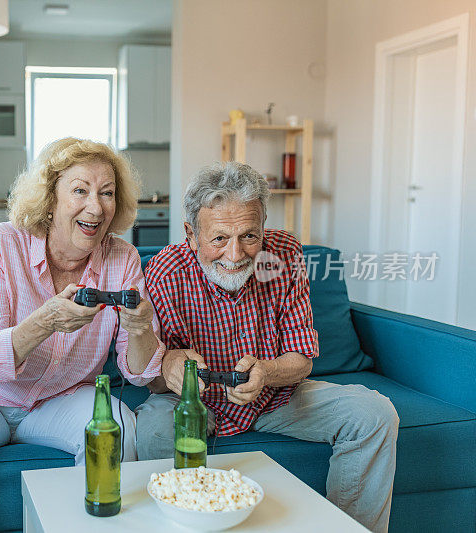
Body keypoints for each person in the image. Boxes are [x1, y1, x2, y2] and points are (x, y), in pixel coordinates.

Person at [0, 137, 165, 533]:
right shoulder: (2, 243)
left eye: (107, 193)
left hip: (57, 398)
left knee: (117, 427)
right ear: (50, 197)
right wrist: (44, 321)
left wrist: (142, 326)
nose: (96, 206)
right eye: (80, 190)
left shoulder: (123, 258)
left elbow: (140, 373)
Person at [136, 161, 399, 533]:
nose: (235, 254)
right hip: (193, 401)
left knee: (373, 414)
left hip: (274, 396)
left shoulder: (286, 253)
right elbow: (153, 380)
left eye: (249, 236)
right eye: (218, 239)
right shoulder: (163, 272)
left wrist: (266, 371)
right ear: (191, 234)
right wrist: (169, 365)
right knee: (152, 432)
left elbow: (301, 358)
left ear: (263, 227)